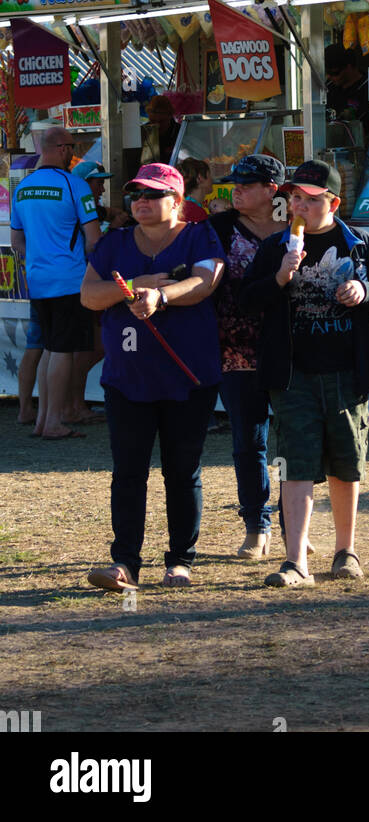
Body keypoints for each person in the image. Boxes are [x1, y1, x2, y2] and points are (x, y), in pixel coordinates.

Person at [241, 158, 369, 589]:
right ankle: (296, 561)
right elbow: (247, 300)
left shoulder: (360, 243)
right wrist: (279, 277)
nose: (299, 206)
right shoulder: (276, 246)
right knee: (296, 464)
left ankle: (345, 550)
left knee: (345, 464)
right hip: (293, 373)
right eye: (295, 198)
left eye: (310, 200)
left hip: (348, 372)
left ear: (333, 201)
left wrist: (365, 290)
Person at [81, 163, 225, 592]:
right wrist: (134, 286)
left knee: (183, 471)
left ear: (177, 201)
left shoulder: (200, 235)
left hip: (188, 376)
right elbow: (89, 295)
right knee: (128, 471)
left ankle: (180, 561)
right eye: (136, 195)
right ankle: (124, 562)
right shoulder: (115, 243)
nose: (141, 202)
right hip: (127, 378)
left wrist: (160, 295)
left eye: (153, 194)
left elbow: (205, 281)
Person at [209, 154, 287, 559]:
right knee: (248, 443)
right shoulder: (217, 228)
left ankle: (295, 530)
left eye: (246, 184)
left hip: (290, 350)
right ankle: (256, 526)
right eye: (233, 183)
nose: (235, 189)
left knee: (294, 443)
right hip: (234, 351)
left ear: (271, 190)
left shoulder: (298, 227)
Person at [10, 127, 102, 439]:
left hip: (37, 279)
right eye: (73, 149)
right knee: (62, 351)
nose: (73, 155)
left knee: (49, 348)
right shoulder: (75, 185)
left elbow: (17, 241)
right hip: (69, 280)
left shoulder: (22, 188)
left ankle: (43, 421)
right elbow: (94, 241)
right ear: (62, 149)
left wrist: (43, 257)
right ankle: (52, 422)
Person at [139, 95, 180, 168]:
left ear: (170, 116)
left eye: (162, 121)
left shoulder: (179, 132)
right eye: (153, 121)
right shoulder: (143, 132)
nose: (157, 125)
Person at [180, 158, 213, 222]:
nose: (212, 180)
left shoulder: (182, 207)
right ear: (200, 178)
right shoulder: (197, 213)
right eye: (209, 175)